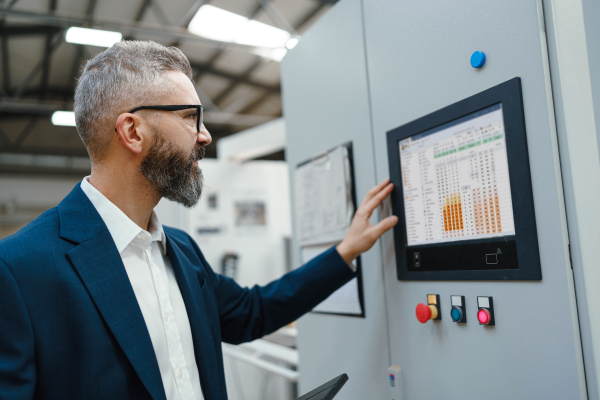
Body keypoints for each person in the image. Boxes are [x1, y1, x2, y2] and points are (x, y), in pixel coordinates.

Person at [0, 41, 397, 400]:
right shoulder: (20, 269)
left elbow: (253, 311)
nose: (205, 136)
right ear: (133, 131)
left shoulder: (181, 250)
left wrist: (345, 252)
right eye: (190, 117)